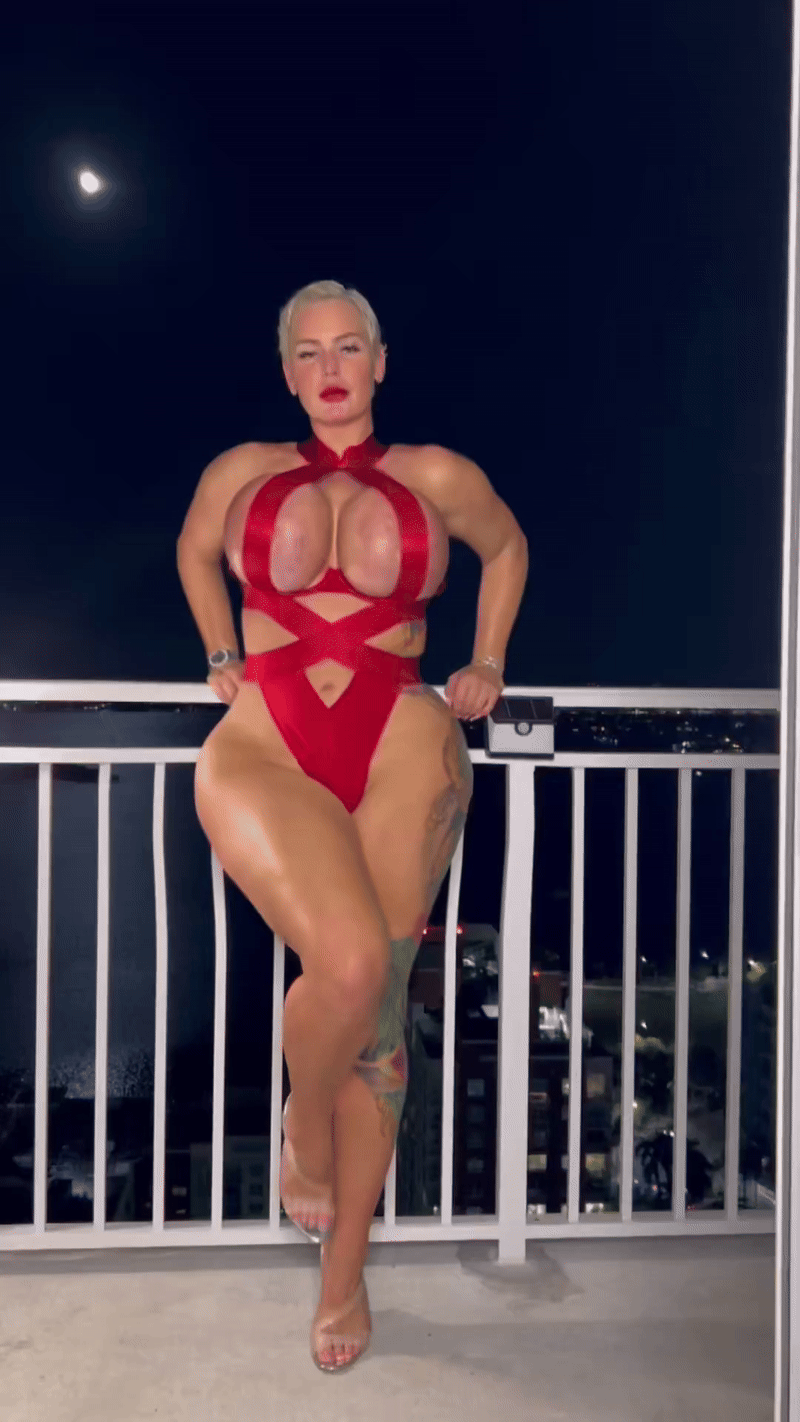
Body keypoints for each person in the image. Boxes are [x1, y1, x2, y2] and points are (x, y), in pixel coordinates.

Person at [176, 279, 528, 1372]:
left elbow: (507, 548)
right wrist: (219, 651)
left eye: (347, 348)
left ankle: (344, 1282)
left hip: (402, 740)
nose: (329, 368)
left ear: (379, 362)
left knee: (378, 1012)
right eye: (308, 352)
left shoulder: (437, 474)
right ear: (287, 372)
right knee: (343, 963)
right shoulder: (240, 471)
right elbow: (193, 551)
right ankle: (302, 1123)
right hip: (265, 739)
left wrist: (487, 660)